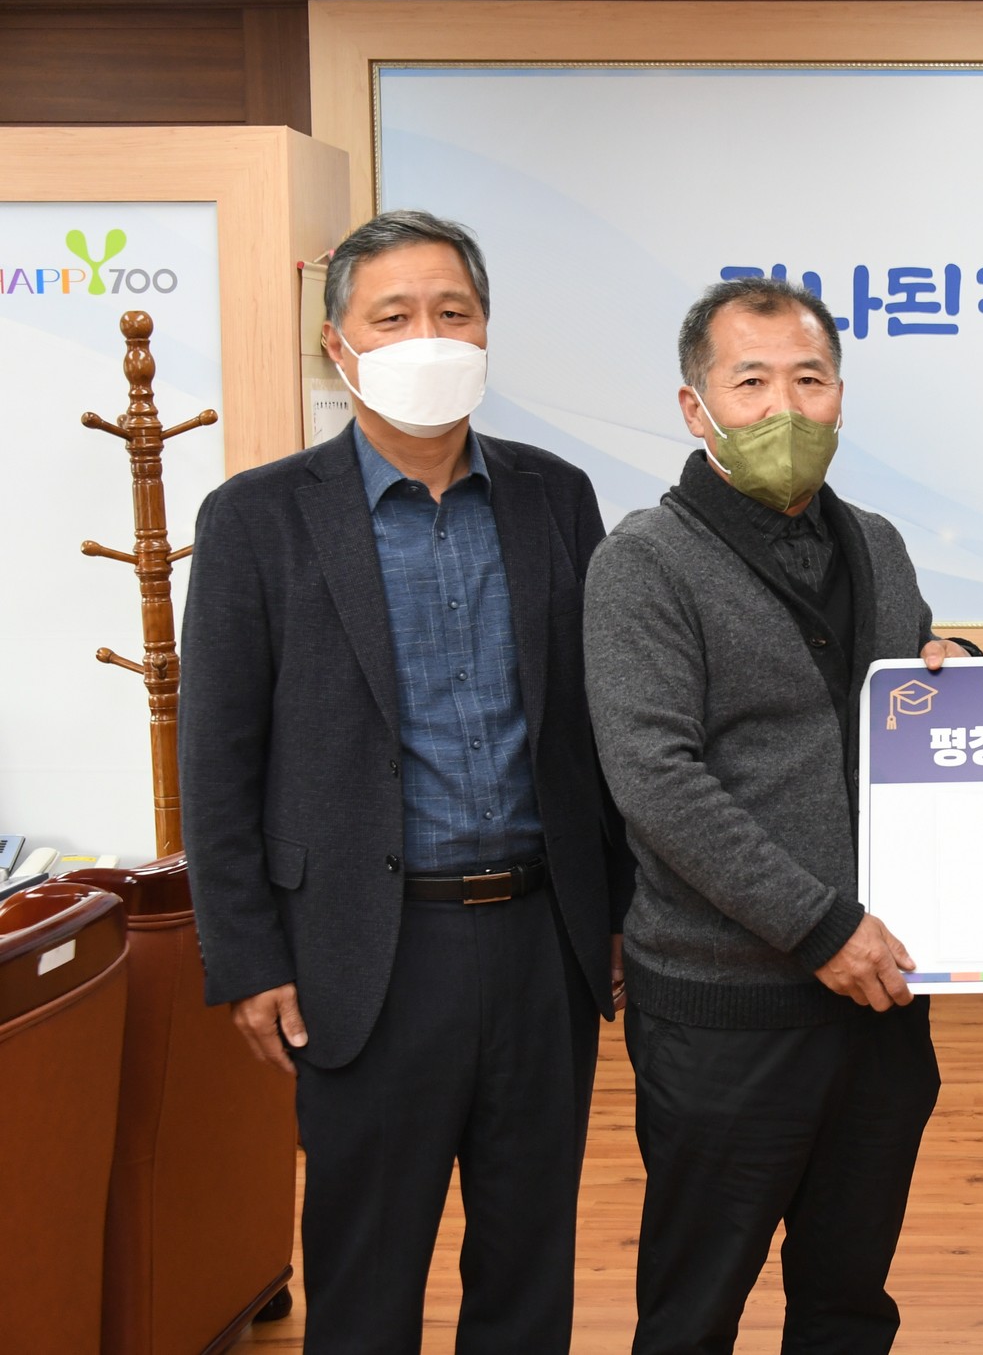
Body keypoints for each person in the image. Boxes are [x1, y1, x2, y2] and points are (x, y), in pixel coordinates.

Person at [180, 209, 632, 1351]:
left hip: (542, 942)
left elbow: (596, 721)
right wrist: (246, 956)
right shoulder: (257, 518)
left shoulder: (555, 495)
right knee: (366, 1281)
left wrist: (619, 909)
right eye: (393, 316)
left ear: (483, 331)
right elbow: (217, 758)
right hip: (362, 953)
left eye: (452, 312)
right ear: (338, 344)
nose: (427, 335)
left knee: (527, 1271)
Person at [583, 276, 973, 1355]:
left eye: (810, 380)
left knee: (849, 1303)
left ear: (840, 395)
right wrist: (819, 927)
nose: (785, 409)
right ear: (694, 406)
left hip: (880, 1005)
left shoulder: (877, 544)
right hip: (726, 1007)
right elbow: (656, 777)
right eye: (750, 382)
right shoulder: (643, 563)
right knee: (693, 1310)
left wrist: (958, 670)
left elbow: (900, 692)